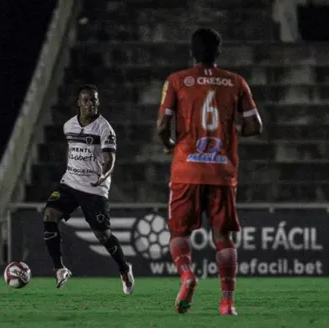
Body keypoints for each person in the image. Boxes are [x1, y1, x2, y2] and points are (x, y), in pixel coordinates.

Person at [156, 28, 263, 315]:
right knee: (223, 236)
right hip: (222, 171)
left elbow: (162, 127)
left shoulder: (177, 81)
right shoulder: (235, 81)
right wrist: (232, 129)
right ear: (218, 52)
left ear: (191, 52)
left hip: (186, 169)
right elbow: (255, 126)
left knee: (179, 232)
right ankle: (227, 302)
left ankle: (188, 275)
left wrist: (169, 145)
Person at [42, 84, 135, 295]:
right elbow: (71, 149)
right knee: (49, 214)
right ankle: (59, 268)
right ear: (78, 103)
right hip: (70, 183)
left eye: (93, 100)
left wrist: (104, 174)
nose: (90, 104)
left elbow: (110, 158)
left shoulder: (104, 129)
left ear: (98, 103)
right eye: (86, 100)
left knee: (103, 235)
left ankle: (123, 268)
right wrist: (69, 170)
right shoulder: (69, 126)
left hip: (94, 188)